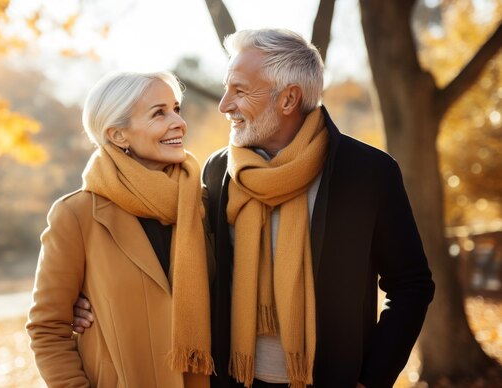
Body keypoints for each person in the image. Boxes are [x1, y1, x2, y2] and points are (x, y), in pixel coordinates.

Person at [73, 29, 435, 388]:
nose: (224, 104)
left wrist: (371, 380)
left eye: (240, 91)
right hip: (234, 381)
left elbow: (410, 285)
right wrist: (87, 298)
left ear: (288, 99)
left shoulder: (366, 173)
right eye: (227, 87)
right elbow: (173, 262)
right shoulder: (218, 172)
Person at [26, 71, 213, 388]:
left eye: (176, 109)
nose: (179, 122)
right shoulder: (76, 215)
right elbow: (47, 328)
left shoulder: (206, 203)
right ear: (118, 135)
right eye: (159, 113)